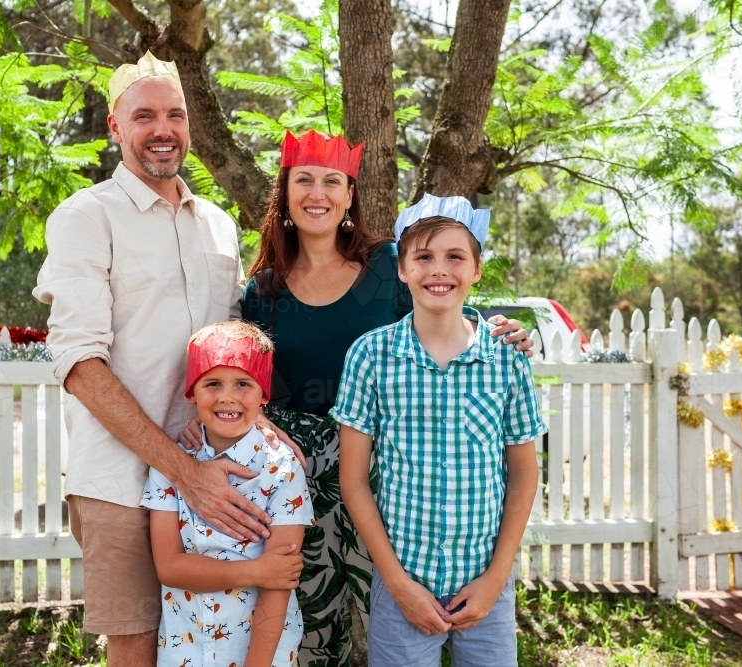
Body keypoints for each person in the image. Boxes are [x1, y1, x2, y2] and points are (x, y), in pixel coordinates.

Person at [33, 53, 301, 667]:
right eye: (144, 115)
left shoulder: (217, 226)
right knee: (138, 642)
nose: (163, 128)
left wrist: (256, 426)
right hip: (122, 479)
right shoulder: (84, 217)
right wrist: (182, 469)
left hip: (221, 474)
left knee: (223, 634)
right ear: (115, 127)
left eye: (175, 115)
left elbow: (233, 343)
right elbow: (78, 363)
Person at [230, 130, 534, 666]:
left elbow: (441, 312)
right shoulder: (265, 290)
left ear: (349, 195)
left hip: (389, 477)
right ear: (285, 192)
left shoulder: (384, 266)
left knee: (394, 617)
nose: (317, 193)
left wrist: (503, 329)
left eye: (331, 181)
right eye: (303, 180)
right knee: (314, 622)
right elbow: (249, 387)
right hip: (300, 476)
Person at [333, 195, 548, 667]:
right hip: (403, 584)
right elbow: (352, 481)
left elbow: (524, 475)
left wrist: (495, 578)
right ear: (403, 270)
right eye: (424, 257)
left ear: (476, 270)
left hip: (486, 584)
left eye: (455, 257)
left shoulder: (506, 358)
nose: (439, 270)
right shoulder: (371, 357)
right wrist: (397, 583)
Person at [144, 321, 315, 667]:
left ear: (264, 394)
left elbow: (278, 581)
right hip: (185, 648)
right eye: (212, 383)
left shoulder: (282, 469)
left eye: (242, 383)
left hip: (264, 653)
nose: (227, 396)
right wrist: (256, 571)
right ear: (191, 392)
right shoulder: (170, 466)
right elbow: (169, 566)